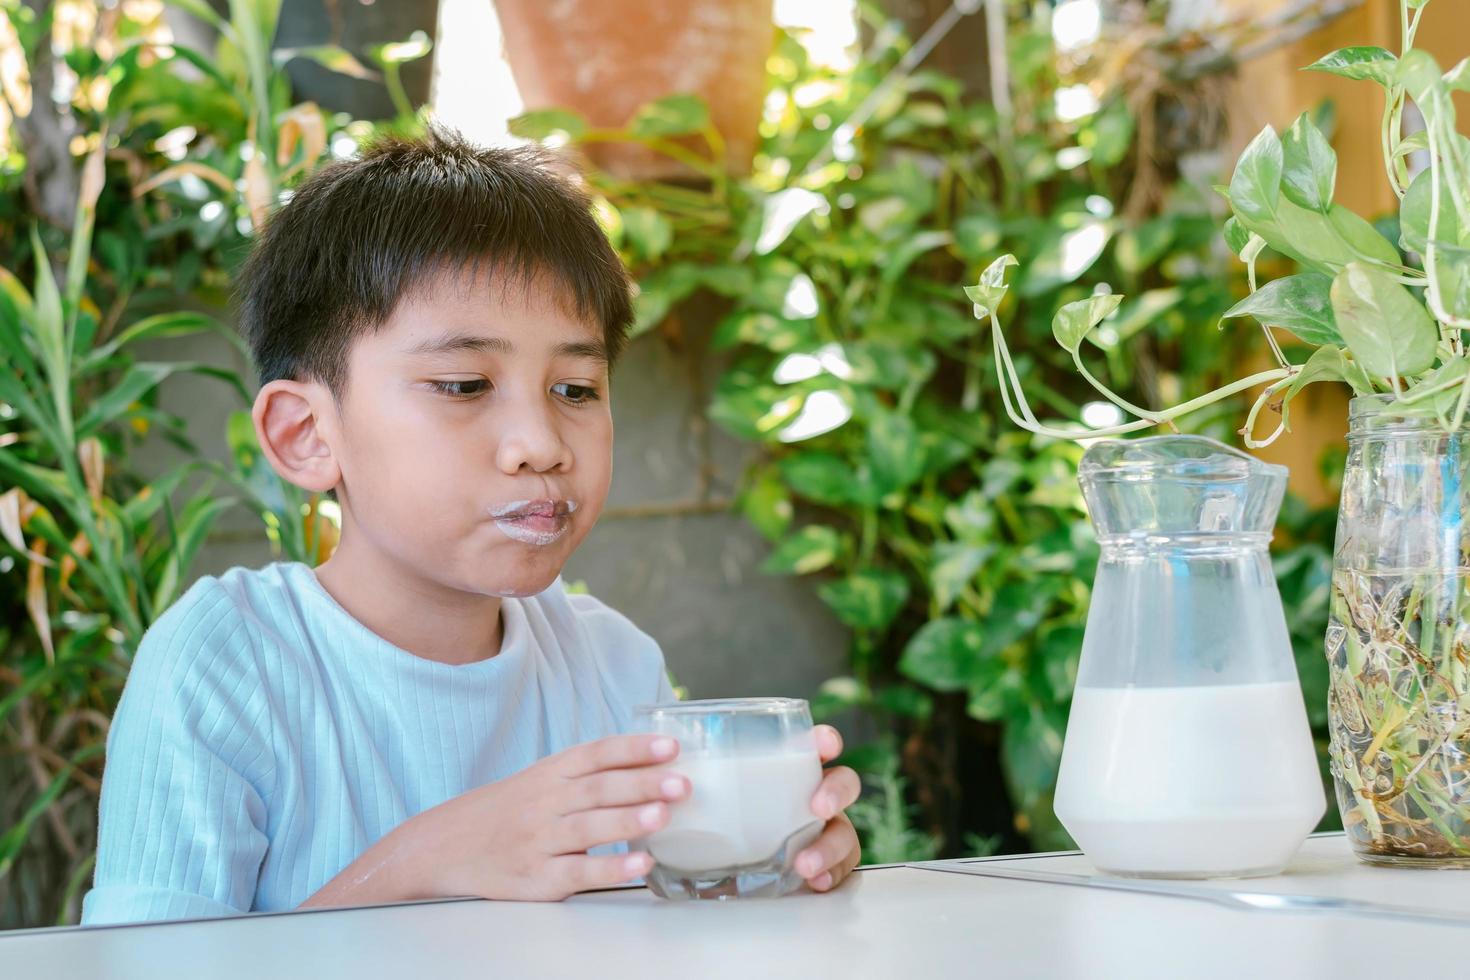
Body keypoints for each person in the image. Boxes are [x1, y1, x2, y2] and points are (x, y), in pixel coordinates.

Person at [81, 126, 861, 924]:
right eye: (462, 384)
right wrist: (427, 861)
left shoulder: (612, 666)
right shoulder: (226, 666)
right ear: (306, 435)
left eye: (577, 389)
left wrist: (764, 875)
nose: (542, 445)